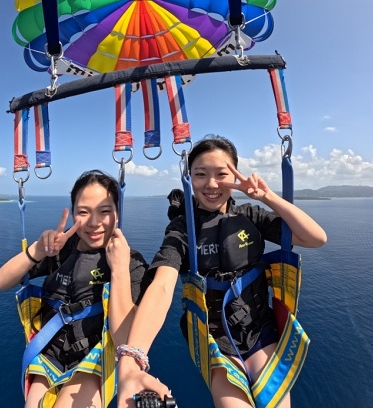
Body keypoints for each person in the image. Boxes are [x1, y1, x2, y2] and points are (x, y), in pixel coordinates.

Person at [116, 135, 327, 408]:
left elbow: (316, 238)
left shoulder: (250, 216)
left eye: (221, 174)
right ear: (189, 178)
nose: (212, 184)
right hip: (214, 341)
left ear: (235, 175)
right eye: (200, 174)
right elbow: (163, 284)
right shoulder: (183, 229)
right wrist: (132, 357)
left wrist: (268, 196)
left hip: (261, 330)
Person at [0, 170, 149, 408]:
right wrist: (38, 250)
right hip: (48, 353)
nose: (94, 222)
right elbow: (0, 282)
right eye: (83, 212)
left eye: (104, 211)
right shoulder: (60, 251)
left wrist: (119, 269)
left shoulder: (130, 262)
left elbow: (124, 340)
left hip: (95, 358)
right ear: (73, 213)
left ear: (117, 214)